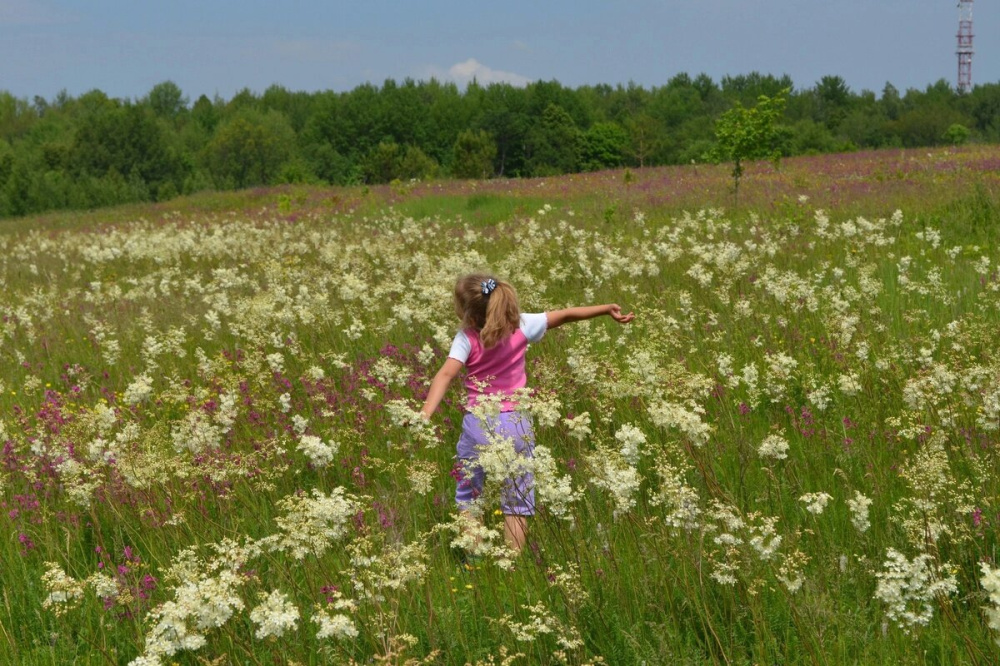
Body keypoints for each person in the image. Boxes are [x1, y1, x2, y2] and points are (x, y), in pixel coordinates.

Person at [419, 273, 635, 552]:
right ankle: (513, 564)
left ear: (467, 312)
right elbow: (568, 315)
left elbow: (446, 374)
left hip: (478, 425)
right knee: (517, 498)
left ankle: (472, 560)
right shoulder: (522, 325)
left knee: (469, 496)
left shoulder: (466, 338)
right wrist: (605, 309)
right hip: (516, 423)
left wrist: (425, 413)